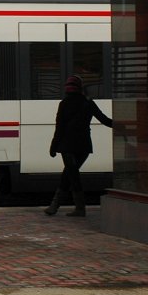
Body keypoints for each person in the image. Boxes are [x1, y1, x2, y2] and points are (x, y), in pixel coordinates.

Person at [44, 75, 113, 217]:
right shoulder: (88, 102)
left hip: (67, 146)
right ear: (80, 87)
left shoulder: (64, 103)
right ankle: (58, 207)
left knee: (72, 174)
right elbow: (104, 120)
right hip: (83, 146)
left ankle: (73, 208)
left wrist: (53, 146)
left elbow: (59, 127)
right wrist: (122, 124)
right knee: (70, 174)